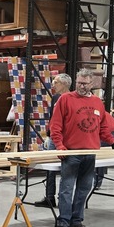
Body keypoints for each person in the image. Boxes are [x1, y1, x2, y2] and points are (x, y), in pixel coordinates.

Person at [49, 69, 114, 227]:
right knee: (66, 188)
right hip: (71, 152)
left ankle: (76, 221)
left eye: (85, 83)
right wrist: (59, 145)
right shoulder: (65, 99)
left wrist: (112, 141)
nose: (81, 86)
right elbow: (55, 125)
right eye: (79, 82)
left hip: (90, 152)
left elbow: (102, 127)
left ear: (91, 84)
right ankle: (63, 222)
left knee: (84, 188)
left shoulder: (97, 102)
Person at [33, 73, 72, 208]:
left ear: (64, 84)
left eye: (56, 82)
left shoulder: (70, 98)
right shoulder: (55, 97)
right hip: (53, 137)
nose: (53, 85)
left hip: (64, 139)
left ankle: (63, 198)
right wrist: (49, 135)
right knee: (50, 169)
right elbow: (53, 119)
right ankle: (50, 197)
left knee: (65, 169)